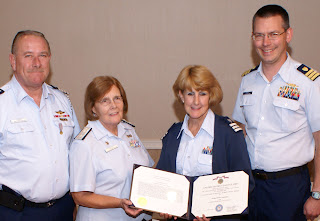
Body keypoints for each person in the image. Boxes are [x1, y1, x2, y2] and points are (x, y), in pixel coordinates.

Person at [232, 4, 320, 221]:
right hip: (250, 187)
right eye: (259, 35)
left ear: (288, 34)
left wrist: (317, 193)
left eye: (273, 34)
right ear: (252, 38)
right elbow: (240, 131)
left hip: (289, 188)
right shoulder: (247, 80)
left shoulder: (308, 82)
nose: (266, 42)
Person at [0, 30, 80, 221]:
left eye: (42, 55)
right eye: (28, 56)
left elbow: (78, 151)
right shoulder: (2, 104)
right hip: (16, 213)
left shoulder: (62, 101)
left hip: (63, 209)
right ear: (13, 61)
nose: (37, 63)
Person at [156, 65, 254, 221]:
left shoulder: (229, 134)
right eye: (190, 93)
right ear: (181, 96)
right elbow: (163, 179)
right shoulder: (173, 134)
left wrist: (215, 211)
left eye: (202, 93)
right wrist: (164, 204)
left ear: (211, 95)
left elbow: (245, 183)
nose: (196, 101)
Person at [69, 76, 154, 221]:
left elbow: (148, 170)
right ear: (93, 108)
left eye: (117, 98)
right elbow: (80, 196)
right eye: (105, 101)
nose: (113, 105)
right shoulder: (84, 143)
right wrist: (119, 203)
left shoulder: (129, 131)